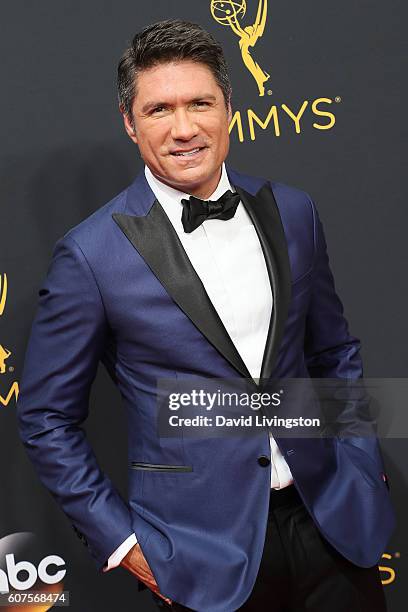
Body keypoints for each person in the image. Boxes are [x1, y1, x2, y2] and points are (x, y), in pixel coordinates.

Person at [17, 18, 395, 612]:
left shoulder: (293, 211)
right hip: (198, 555)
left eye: (200, 103)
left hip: (332, 524)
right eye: (159, 110)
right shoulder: (91, 255)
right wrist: (127, 545)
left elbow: (333, 353)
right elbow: (45, 419)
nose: (184, 128)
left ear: (228, 109)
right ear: (129, 123)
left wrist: (361, 462)